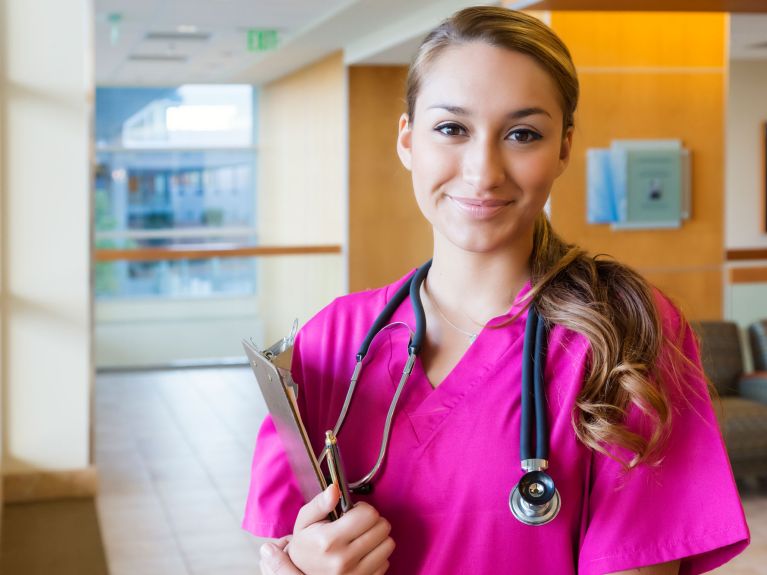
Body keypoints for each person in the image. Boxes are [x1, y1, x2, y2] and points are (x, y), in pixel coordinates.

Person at [244, 6, 750, 574]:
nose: (483, 171)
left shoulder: (622, 333)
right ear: (408, 140)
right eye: (451, 128)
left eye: (521, 133)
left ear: (563, 148)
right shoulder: (331, 341)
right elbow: (279, 546)